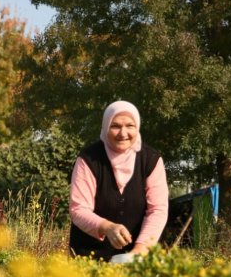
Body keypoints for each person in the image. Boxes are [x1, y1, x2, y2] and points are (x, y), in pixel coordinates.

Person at [68, 100, 168, 261]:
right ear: (106, 126)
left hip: (141, 254)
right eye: (115, 126)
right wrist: (107, 227)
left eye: (130, 125)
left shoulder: (151, 160)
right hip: (90, 255)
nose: (123, 133)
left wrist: (140, 250)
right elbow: (78, 209)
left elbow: (157, 210)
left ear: (138, 127)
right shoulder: (88, 160)